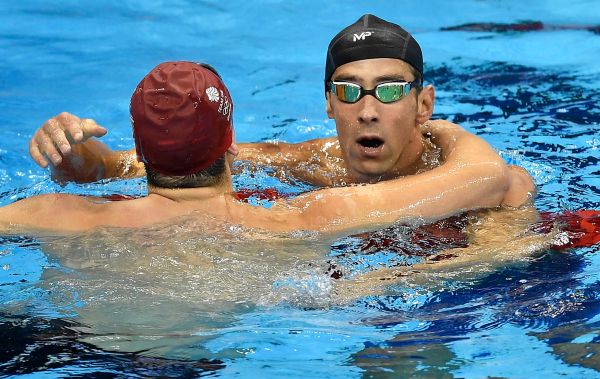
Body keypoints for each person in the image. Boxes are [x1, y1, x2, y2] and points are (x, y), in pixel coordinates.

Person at [28, 14, 534, 208]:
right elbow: (135, 164)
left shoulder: (471, 173)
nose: (368, 111)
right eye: (350, 91)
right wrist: (72, 147)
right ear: (328, 103)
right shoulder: (309, 164)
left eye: (389, 91)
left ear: (424, 103)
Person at [0, 61, 509, 235]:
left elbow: (101, 172)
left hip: (65, 346)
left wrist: (71, 158)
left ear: (138, 145)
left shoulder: (50, 213)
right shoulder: (299, 220)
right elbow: (488, 179)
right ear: (231, 145)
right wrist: (442, 127)